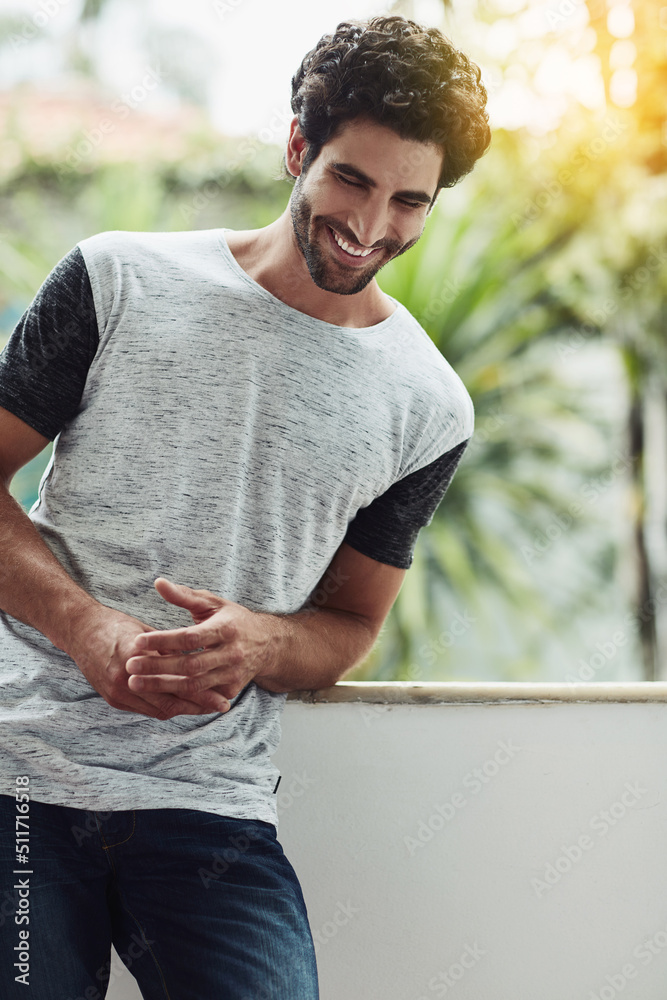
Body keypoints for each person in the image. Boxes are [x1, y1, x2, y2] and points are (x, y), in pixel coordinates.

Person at [0, 14, 490, 1000]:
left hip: (210, 811)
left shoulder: (428, 407)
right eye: (350, 179)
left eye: (408, 201)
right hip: (21, 777)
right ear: (297, 147)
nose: (368, 227)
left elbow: (351, 622)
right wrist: (88, 627)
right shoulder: (117, 279)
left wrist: (262, 643)